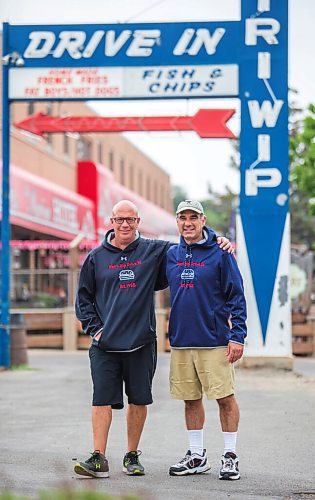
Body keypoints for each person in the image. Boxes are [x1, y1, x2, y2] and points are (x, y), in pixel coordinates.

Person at [74, 199, 233, 479]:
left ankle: (132, 456)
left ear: (138, 223)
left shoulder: (155, 250)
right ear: (111, 222)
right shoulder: (96, 257)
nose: (125, 224)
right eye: (119, 219)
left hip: (141, 342)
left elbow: (192, 240)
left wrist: (218, 238)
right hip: (105, 345)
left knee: (138, 400)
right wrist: (95, 330)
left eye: (131, 220)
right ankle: (98, 457)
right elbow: (83, 298)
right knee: (101, 399)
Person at [166, 200, 247, 481]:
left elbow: (237, 296)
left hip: (215, 341)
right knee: (190, 400)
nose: (187, 222)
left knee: (225, 398)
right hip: (181, 341)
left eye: (193, 217)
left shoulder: (221, 253)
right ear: (177, 222)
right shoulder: (171, 254)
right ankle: (197, 456)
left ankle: (230, 456)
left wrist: (238, 336)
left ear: (203, 220)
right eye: (182, 217)